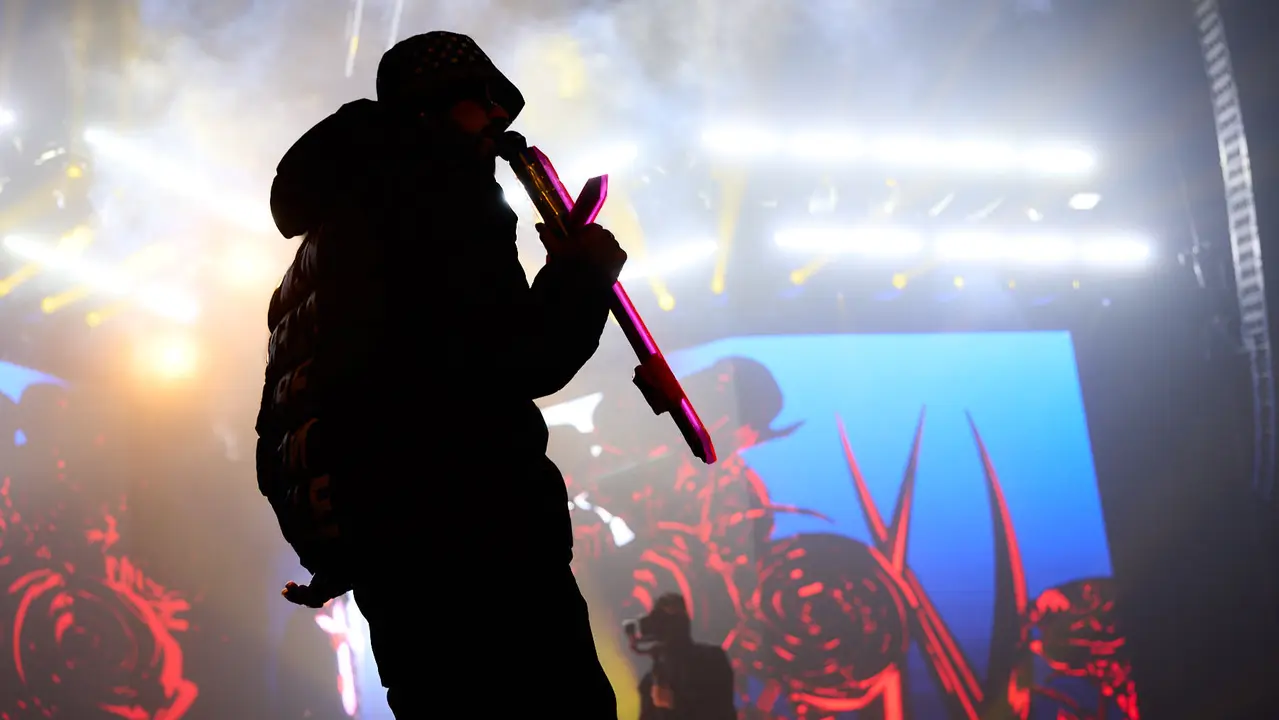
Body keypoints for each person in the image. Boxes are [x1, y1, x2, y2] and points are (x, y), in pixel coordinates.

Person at [255, 31, 623, 718]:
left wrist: (339, 544)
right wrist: (581, 274)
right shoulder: (439, 194)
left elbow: (308, 406)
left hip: (397, 556)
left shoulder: (336, 227)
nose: (497, 126)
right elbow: (520, 357)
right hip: (477, 543)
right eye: (484, 105)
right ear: (437, 107)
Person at [628, 593, 737, 720]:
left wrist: (675, 703)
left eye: (670, 619)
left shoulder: (712, 659)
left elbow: (721, 710)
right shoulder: (651, 681)